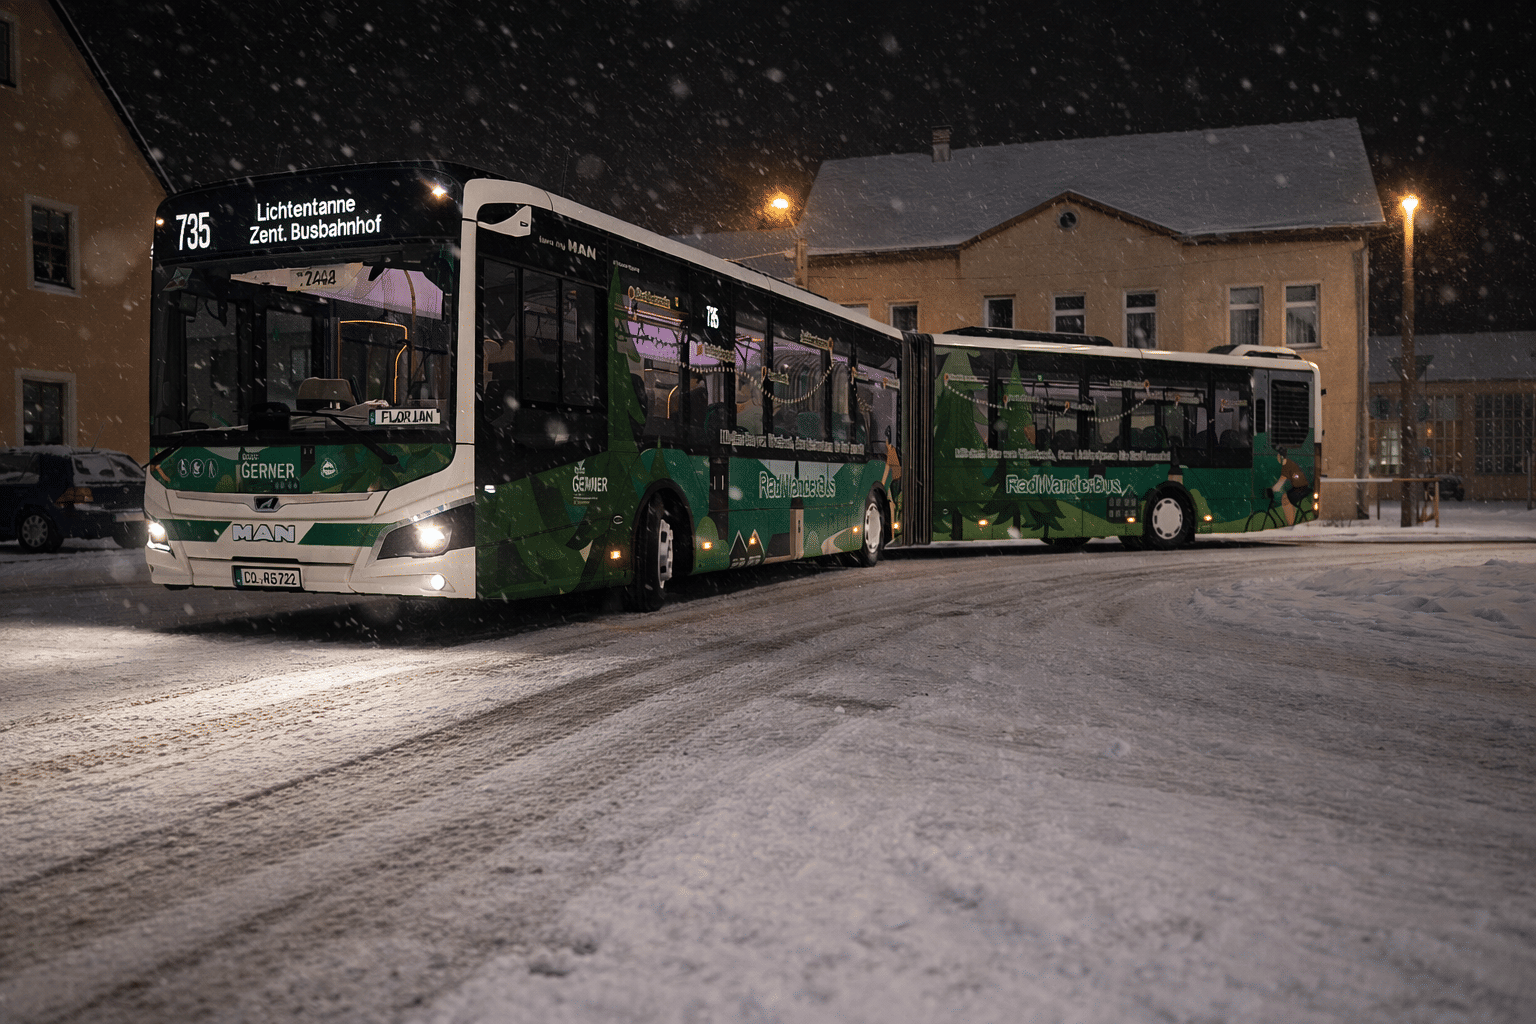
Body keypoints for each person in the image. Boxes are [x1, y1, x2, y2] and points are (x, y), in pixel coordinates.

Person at [1270, 447, 1311, 526]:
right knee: (1287, 497)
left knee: (1285, 499)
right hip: (1299, 487)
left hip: (1301, 488)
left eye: (1278, 456)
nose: (1277, 458)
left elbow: (1281, 482)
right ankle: (1292, 521)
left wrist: (1272, 489)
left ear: (1281, 457)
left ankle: (1290, 523)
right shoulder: (1287, 464)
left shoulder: (1287, 465)